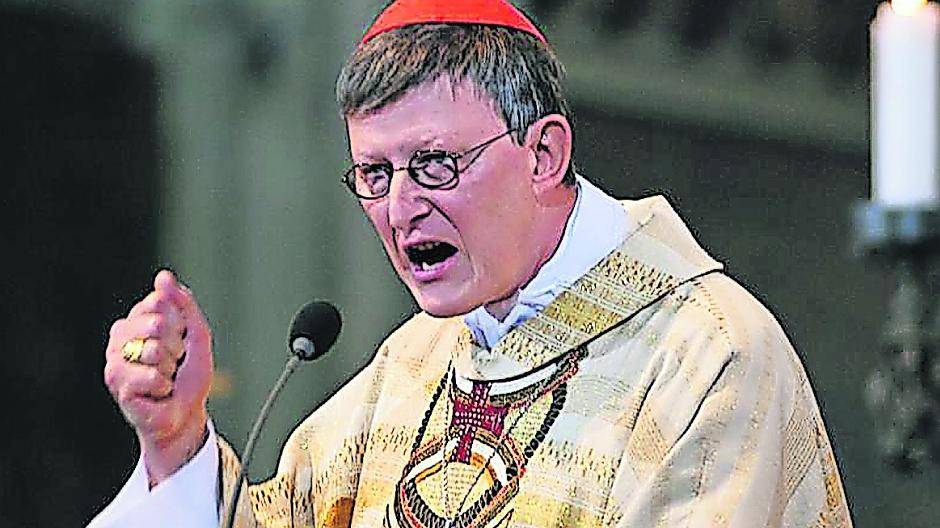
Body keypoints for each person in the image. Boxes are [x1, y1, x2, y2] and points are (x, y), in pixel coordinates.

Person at [89, 0, 854, 526]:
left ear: (544, 154)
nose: (400, 208)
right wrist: (177, 440)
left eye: (435, 164)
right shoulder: (408, 368)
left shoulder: (708, 357)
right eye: (375, 174)